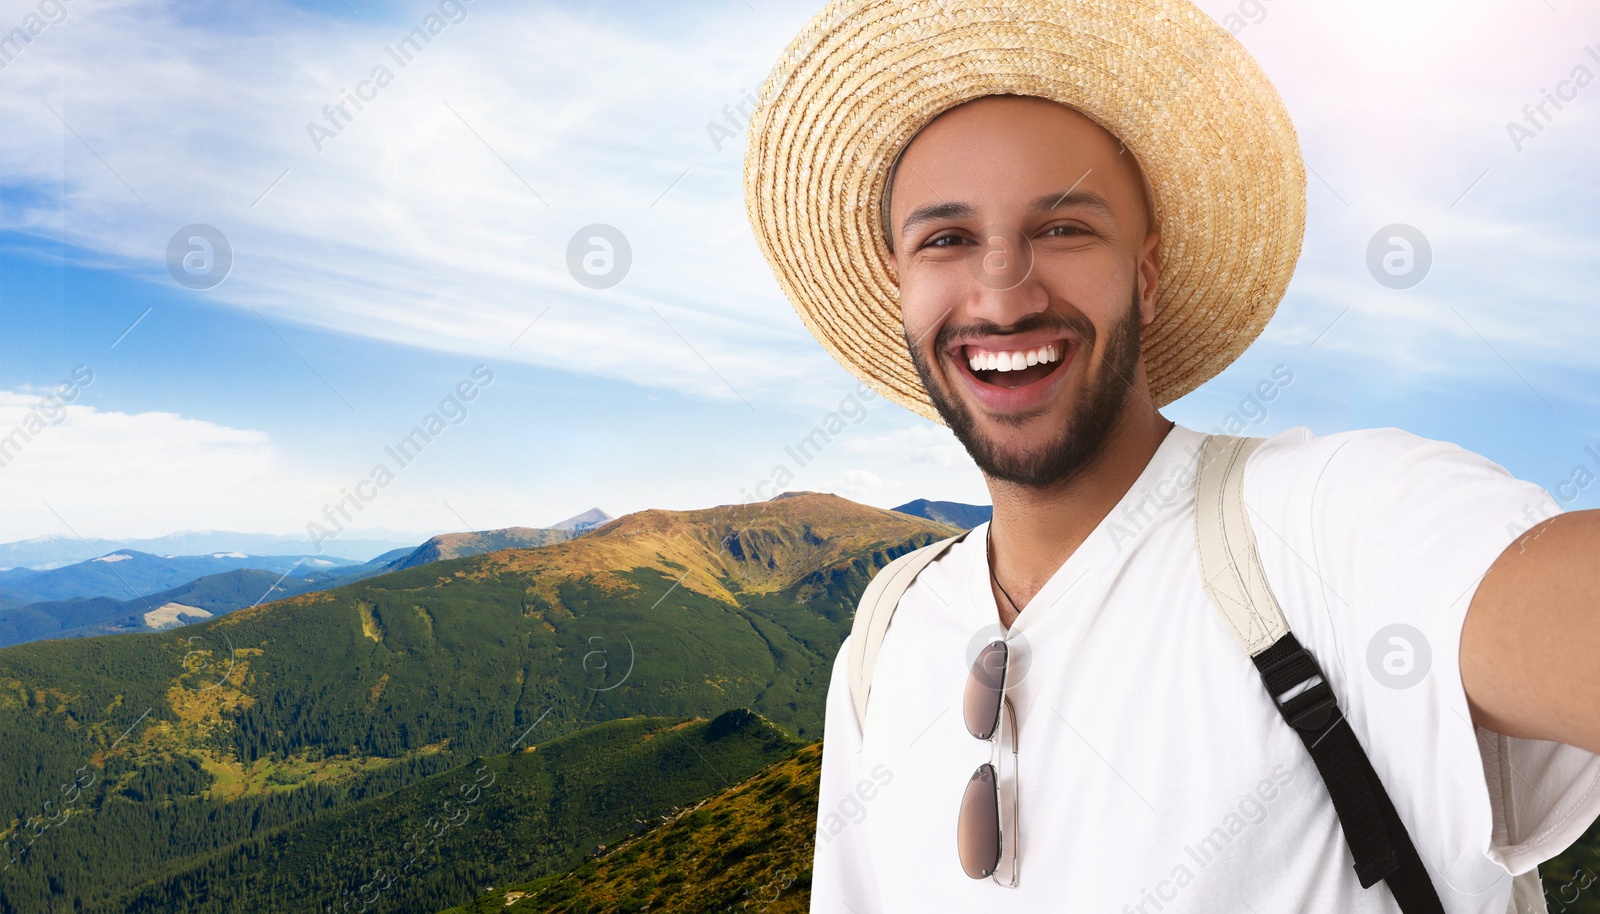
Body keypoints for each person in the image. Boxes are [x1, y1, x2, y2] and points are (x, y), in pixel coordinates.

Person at [741, 1, 1600, 912]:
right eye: (946, 239)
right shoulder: (883, 633)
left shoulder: (1326, 524)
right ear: (899, 286)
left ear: (1145, 276)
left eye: (1064, 228)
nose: (1002, 292)